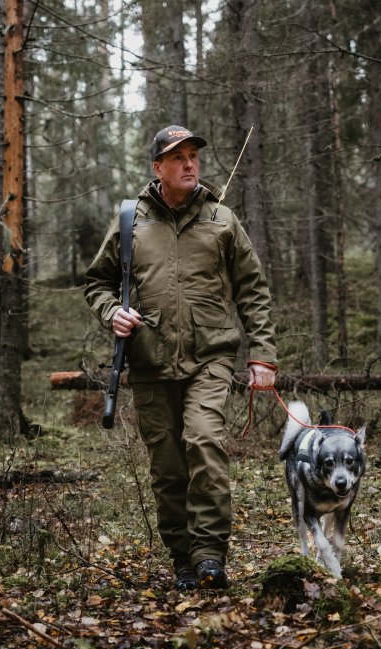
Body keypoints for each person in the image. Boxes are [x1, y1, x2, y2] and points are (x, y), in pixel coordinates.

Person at [85, 125, 277, 590]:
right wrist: (112, 313)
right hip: (149, 362)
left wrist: (263, 354)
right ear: (158, 168)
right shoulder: (130, 220)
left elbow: (253, 290)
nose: (189, 163)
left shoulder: (222, 220)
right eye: (178, 157)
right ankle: (183, 560)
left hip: (210, 357)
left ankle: (210, 554)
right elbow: (97, 283)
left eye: (193, 155)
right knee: (168, 467)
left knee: (204, 441)